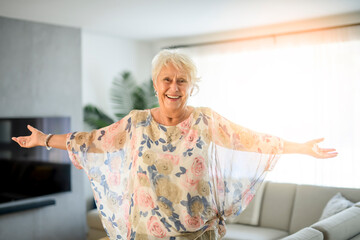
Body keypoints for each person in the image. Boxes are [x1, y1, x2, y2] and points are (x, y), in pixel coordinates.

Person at [12, 50, 338, 240]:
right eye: (167, 79)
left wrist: (301, 147)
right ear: (156, 84)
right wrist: (45, 140)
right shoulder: (136, 122)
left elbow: (251, 139)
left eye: (181, 80)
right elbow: (94, 141)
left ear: (191, 87)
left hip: (197, 234)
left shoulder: (207, 120)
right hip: (147, 233)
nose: (174, 86)